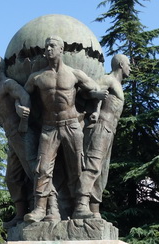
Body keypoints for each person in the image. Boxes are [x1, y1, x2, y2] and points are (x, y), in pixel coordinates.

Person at [22, 36, 107, 223]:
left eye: (53, 46)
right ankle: (39, 209)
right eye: (46, 47)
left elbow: (95, 90)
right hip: (49, 127)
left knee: (76, 167)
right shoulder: (37, 77)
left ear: (61, 50)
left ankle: (80, 207)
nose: (48, 49)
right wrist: (21, 107)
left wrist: (95, 97)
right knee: (42, 168)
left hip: (72, 125)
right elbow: (23, 95)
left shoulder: (74, 74)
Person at [0, 55, 37, 228]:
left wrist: (23, 121)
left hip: (20, 133)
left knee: (33, 171)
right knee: (12, 178)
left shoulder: (7, 84)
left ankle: (46, 208)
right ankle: (21, 214)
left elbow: (24, 98)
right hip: (11, 136)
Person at [80, 53, 130, 219]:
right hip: (101, 127)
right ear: (121, 65)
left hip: (110, 130)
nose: (130, 68)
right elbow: (87, 91)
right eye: (128, 64)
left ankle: (94, 209)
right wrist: (96, 97)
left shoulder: (118, 84)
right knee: (93, 165)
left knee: (102, 171)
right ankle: (81, 204)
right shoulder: (108, 79)